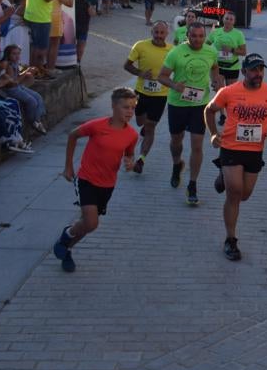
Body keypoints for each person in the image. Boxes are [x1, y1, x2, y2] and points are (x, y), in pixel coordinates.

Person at [51, 87, 139, 272]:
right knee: (91, 223)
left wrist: (130, 162)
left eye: (133, 108)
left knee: (87, 225)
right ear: (113, 106)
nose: (130, 112)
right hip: (87, 178)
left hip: (107, 184)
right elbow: (73, 135)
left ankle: (66, 248)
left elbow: (129, 154)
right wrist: (68, 166)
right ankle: (67, 235)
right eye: (125, 107)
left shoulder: (132, 134)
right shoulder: (97, 126)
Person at [204, 53, 267, 261]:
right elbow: (209, 110)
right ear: (244, 71)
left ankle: (223, 175)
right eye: (254, 69)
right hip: (231, 147)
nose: (258, 74)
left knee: (244, 195)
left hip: (255, 151)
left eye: (261, 69)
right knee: (234, 193)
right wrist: (213, 134)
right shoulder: (228, 92)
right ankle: (230, 240)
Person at [156, 22, 222, 205]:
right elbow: (161, 76)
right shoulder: (176, 53)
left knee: (197, 145)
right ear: (188, 36)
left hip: (200, 105)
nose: (198, 39)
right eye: (194, 36)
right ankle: (177, 164)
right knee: (176, 141)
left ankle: (192, 184)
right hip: (177, 104)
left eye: (201, 36)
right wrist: (174, 85)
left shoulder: (210, 51)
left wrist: (215, 80)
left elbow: (215, 67)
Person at [124, 21, 174, 174]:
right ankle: (145, 127)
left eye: (162, 33)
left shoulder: (172, 50)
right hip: (141, 92)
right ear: (152, 32)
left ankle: (141, 159)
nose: (159, 36)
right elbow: (127, 65)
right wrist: (140, 73)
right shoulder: (140, 45)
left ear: (167, 34)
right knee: (140, 122)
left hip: (160, 95)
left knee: (150, 126)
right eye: (156, 32)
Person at [24, 0, 66, 75]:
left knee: (36, 47)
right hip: (40, 17)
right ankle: (39, 72)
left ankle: (33, 71)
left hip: (31, 14)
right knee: (42, 48)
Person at [0, 45, 47, 134]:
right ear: (8, 55)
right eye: (14, 54)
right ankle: (33, 121)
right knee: (32, 101)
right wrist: (26, 72)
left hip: (18, 87)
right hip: (12, 89)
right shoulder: (9, 66)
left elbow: (19, 74)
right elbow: (14, 82)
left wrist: (27, 71)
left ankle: (37, 120)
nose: (17, 56)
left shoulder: (16, 64)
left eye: (18, 54)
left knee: (38, 97)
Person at [207, 12, 247, 87]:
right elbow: (205, 45)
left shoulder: (238, 34)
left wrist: (231, 50)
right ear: (223, 19)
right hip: (217, 67)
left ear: (234, 22)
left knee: (230, 93)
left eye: (231, 19)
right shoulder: (215, 32)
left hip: (232, 67)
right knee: (218, 90)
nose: (228, 21)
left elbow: (244, 52)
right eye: (226, 18)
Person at [47, 0, 73, 73]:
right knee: (54, 45)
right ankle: (51, 68)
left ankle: (46, 68)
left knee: (48, 45)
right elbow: (70, 4)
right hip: (55, 20)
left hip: (45, 18)